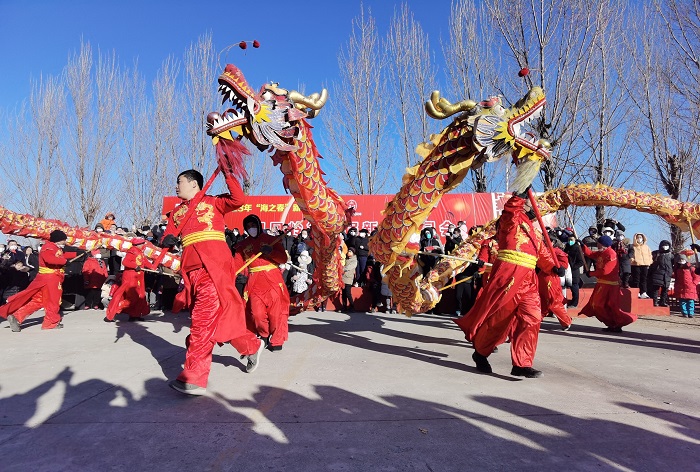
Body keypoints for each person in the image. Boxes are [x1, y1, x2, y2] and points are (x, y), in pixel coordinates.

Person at [162, 168, 264, 396]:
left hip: (214, 268)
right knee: (216, 320)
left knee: (202, 320)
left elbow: (239, 199)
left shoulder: (214, 202)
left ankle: (194, 377)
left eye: (179, 182)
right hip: (191, 272)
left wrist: (228, 172)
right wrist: (166, 240)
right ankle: (251, 346)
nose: (176, 186)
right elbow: (166, 237)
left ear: (194, 184)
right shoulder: (177, 213)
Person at [454, 188, 561, 378]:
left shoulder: (535, 232)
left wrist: (553, 267)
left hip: (529, 280)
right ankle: (480, 352)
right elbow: (510, 211)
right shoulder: (510, 221)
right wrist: (519, 194)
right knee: (498, 321)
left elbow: (542, 253)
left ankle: (522, 363)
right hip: (508, 277)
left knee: (533, 318)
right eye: (528, 201)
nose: (532, 205)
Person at [0, 230, 78, 331]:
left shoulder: (53, 247)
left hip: (48, 278)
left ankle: (17, 316)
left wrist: (76, 254)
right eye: (63, 240)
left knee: (39, 300)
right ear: (58, 240)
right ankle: (50, 323)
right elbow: (49, 259)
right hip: (50, 278)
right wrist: (64, 261)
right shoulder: (48, 247)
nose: (64, 242)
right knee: (53, 300)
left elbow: (60, 256)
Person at [234, 214, 290, 351]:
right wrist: (233, 276)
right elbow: (236, 265)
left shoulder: (272, 240)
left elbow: (283, 259)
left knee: (276, 313)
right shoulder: (242, 245)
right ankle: (263, 334)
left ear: (259, 225)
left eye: (253, 225)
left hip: (272, 279)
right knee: (256, 313)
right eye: (248, 227)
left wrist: (271, 252)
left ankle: (277, 340)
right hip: (254, 281)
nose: (251, 228)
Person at [580, 235, 637, 332]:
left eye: (599, 243)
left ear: (604, 244)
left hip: (610, 285)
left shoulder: (611, 254)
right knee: (597, 304)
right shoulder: (602, 252)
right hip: (602, 284)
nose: (597, 245)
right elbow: (591, 254)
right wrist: (582, 246)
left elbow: (605, 271)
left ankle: (619, 323)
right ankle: (611, 324)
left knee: (611, 305)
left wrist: (591, 273)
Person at [105, 237, 155, 322]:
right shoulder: (132, 251)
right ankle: (116, 309)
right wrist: (135, 266)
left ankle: (135, 315)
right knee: (132, 297)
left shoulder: (140, 252)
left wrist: (154, 268)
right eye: (142, 243)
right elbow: (125, 262)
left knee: (140, 296)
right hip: (131, 277)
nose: (144, 245)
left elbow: (145, 262)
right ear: (138, 244)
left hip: (139, 277)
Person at [538, 242, 572, 330]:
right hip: (541, 276)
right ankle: (536, 320)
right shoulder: (542, 249)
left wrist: (558, 267)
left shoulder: (556, 251)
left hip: (550, 277)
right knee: (541, 300)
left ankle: (566, 321)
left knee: (553, 300)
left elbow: (564, 263)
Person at [649, 240, 674, 307]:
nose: (665, 247)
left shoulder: (671, 255)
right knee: (655, 289)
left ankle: (663, 302)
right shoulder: (656, 253)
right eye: (663, 245)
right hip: (657, 273)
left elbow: (673, 264)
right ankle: (654, 301)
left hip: (667, 274)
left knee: (665, 289)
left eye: (666, 245)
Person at [564, 235, 585, 307]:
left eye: (572, 240)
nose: (570, 241)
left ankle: (575, 303)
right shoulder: (567, 248)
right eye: (569, 239)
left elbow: (581, 261)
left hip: (574, 271)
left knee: (574, 287)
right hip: (567, 270)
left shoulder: (577, 248)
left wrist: (573, 267)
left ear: (575, 240)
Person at [630, 233, 653, 299]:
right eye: (638, 237)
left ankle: (643, 292)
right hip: (636, 265)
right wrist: (632, 260)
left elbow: (650, 255)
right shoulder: (633, 246)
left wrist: (649, 261)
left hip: (645, 265)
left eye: (641, 237)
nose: (639, 239)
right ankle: (637, 292)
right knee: (636, 279)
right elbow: (630, 255)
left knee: (644, 279)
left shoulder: (646, 247)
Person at [341, 247, 357, 312]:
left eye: (350, 251)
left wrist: (342, 268)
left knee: (348, 293)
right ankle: (344, 307)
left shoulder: (354, 260)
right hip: (343, 277)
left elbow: (349, 267)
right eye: (348, 251)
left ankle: (352, 306)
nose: (349, 253)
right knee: (344, 293)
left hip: (349, 278)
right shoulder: (346, 259)